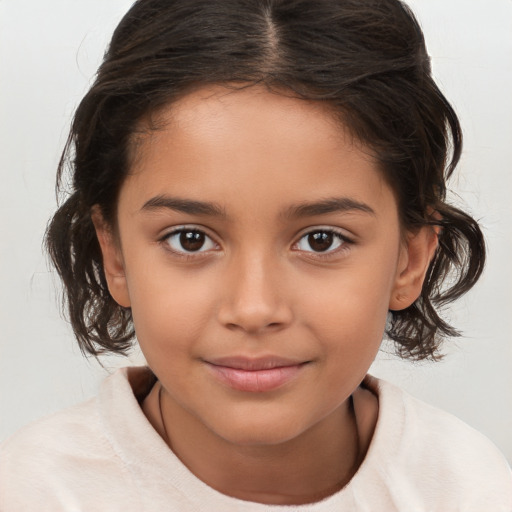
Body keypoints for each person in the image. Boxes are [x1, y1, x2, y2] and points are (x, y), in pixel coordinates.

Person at [1, 0, 511, 509]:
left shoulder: (468, 487)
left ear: (410, 259)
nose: (254, 308)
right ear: (114, 254)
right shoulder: (37, 492)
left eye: (321, 240)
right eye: (191, 239)